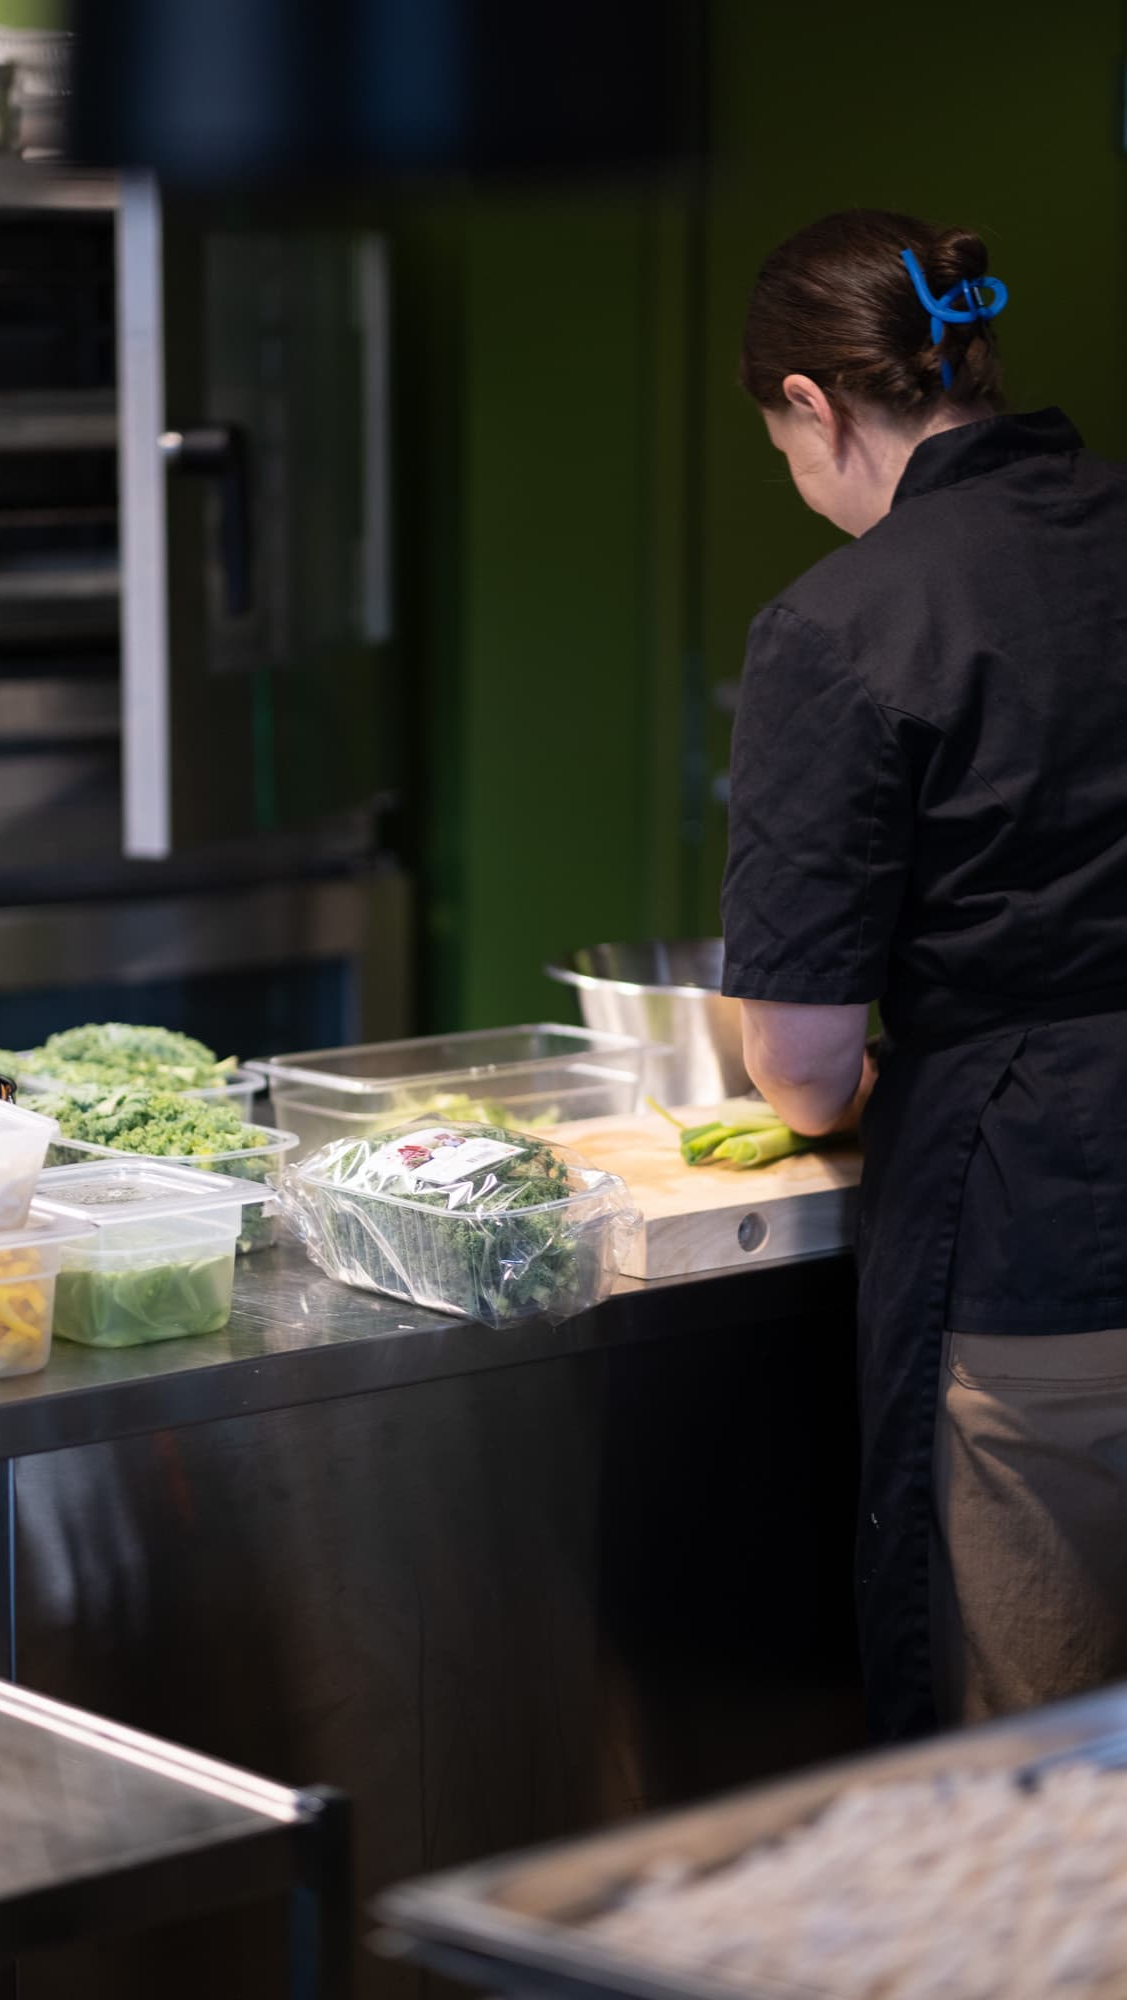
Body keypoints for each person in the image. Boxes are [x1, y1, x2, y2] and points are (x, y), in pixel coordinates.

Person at [720, 208, 1127, 1740]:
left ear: (810, 403)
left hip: (1042, 1242)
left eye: (780, 441)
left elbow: (802, 1065)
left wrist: (844, 1088)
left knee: (1040, 1780)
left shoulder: (842, 623)